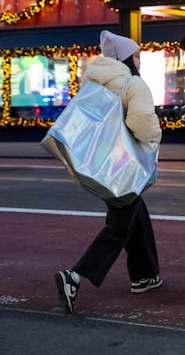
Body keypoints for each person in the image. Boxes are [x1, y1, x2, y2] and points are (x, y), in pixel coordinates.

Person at [55, 30, 163, 314]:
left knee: (134, 212)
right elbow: (141, 123)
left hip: (100, 164)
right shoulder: (133, 83)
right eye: (137, 55)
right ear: (127, 58)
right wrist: (155, 137)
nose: (140, 61)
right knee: (119, 226)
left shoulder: (94, 82)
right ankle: (74, 277)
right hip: (126, 166)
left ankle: (144, 275)